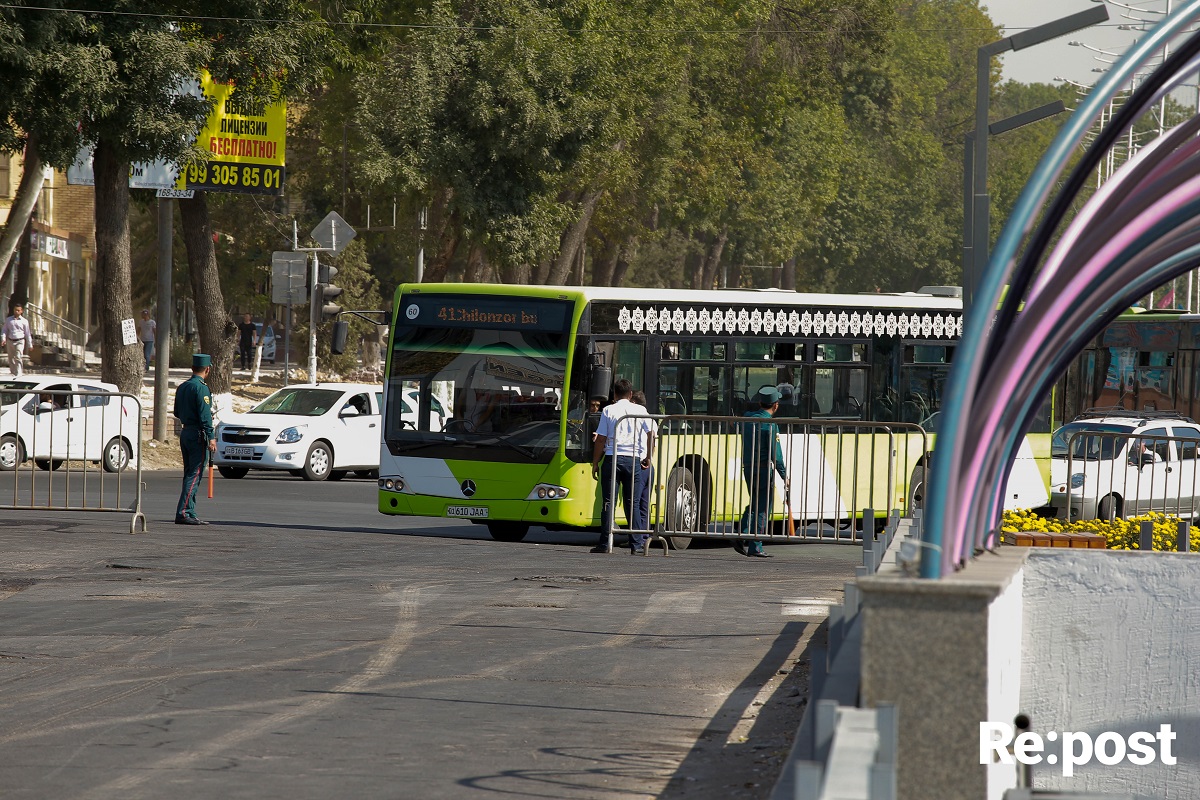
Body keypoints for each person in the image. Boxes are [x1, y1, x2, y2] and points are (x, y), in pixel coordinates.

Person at [591, 379, 652, 554]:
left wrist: (595, 463)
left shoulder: (608, 410)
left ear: (614, 395)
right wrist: (648, 456)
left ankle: (605, 543)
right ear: (631, 394)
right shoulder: (640, 410)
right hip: (633, 460)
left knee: (608, 502)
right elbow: (651, 434)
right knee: (632, 502)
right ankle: (637, 544)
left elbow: (601, 439)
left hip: (612, 458)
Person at [737, 386, 790, 558]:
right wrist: (784, 475)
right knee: (763, 509)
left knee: (754, 503)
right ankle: (756, 546)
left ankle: (740, 533)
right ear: (776, 405)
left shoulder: (747, 418)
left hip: (748, 469)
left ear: (760, 403)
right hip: (763, 470)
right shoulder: (770, 425)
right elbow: (777, 455)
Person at [173, 353, 216, 525]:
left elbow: (176, 412)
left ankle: (189, 510)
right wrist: (211, 437)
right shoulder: (201, 388)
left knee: (189, 473)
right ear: (207, 369)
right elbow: (205, 416)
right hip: (198, 434)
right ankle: (184, 512)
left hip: (186, 432)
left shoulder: (183, 387)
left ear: (192, 368)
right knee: (195, 474)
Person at [631, 390, 657, 534]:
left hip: (640, 463)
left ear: (633, 402)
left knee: (635, 501)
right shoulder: (652, 419)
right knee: (645, 503)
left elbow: (650, 437)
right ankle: (644, 534)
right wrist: (650, 458)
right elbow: (653, 441)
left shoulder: (635, 418)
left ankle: (637, 536)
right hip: (649, 465)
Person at [1, 303, 33, 377]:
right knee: (11, 358)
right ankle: (13, 373)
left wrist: (30, 344)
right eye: (15, 310)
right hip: (10, 341)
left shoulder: (24, 321)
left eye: (18, 310)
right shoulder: (9, 320)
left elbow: (27, 333)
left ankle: (18, 374)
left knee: (18, 357)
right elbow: (4, 330)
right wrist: (3, 339)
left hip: (20, 341)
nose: (16, 312)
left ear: (21, 311)